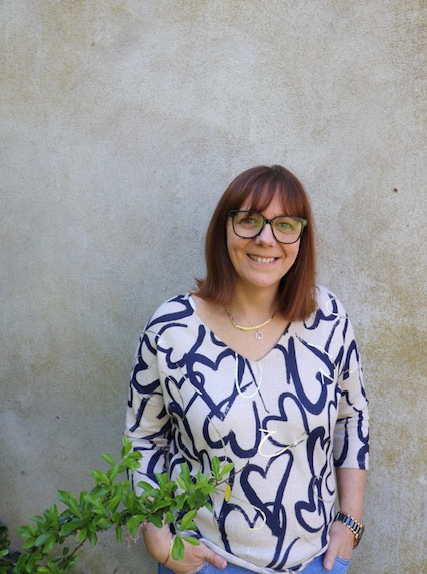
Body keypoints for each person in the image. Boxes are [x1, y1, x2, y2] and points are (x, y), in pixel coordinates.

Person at [125, 165, 369, 574]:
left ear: (301, 238)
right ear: (225, 229)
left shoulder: (328, 318)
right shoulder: (171, 328)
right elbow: (144, 437)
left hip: (315, 561)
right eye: (250, 220)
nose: (266, 238)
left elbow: (352, 417)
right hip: (205, 562)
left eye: (285, 224)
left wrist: (351, 522)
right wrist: (159, 537)